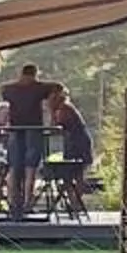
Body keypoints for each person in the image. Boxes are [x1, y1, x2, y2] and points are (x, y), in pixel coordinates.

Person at [0, 61, 57, 217]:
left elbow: (2, 89)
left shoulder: (9, 89)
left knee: (14, 166)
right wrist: (51, 109)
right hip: (33, 128)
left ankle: (13, 202)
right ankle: (27, 203)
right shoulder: (40, 87)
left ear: (21, 73)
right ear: (35, 74)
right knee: (30, 167)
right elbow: (58, 86)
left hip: (15, 129)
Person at [44, 83, 95, 215]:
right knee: (68, 175)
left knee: (75, 175)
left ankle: (75, 203)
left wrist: (50, 112)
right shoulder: (60, 109)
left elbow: (56, 129)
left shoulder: (64, 109)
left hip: (78, 145)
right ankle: (73, 202)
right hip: (69, 145)